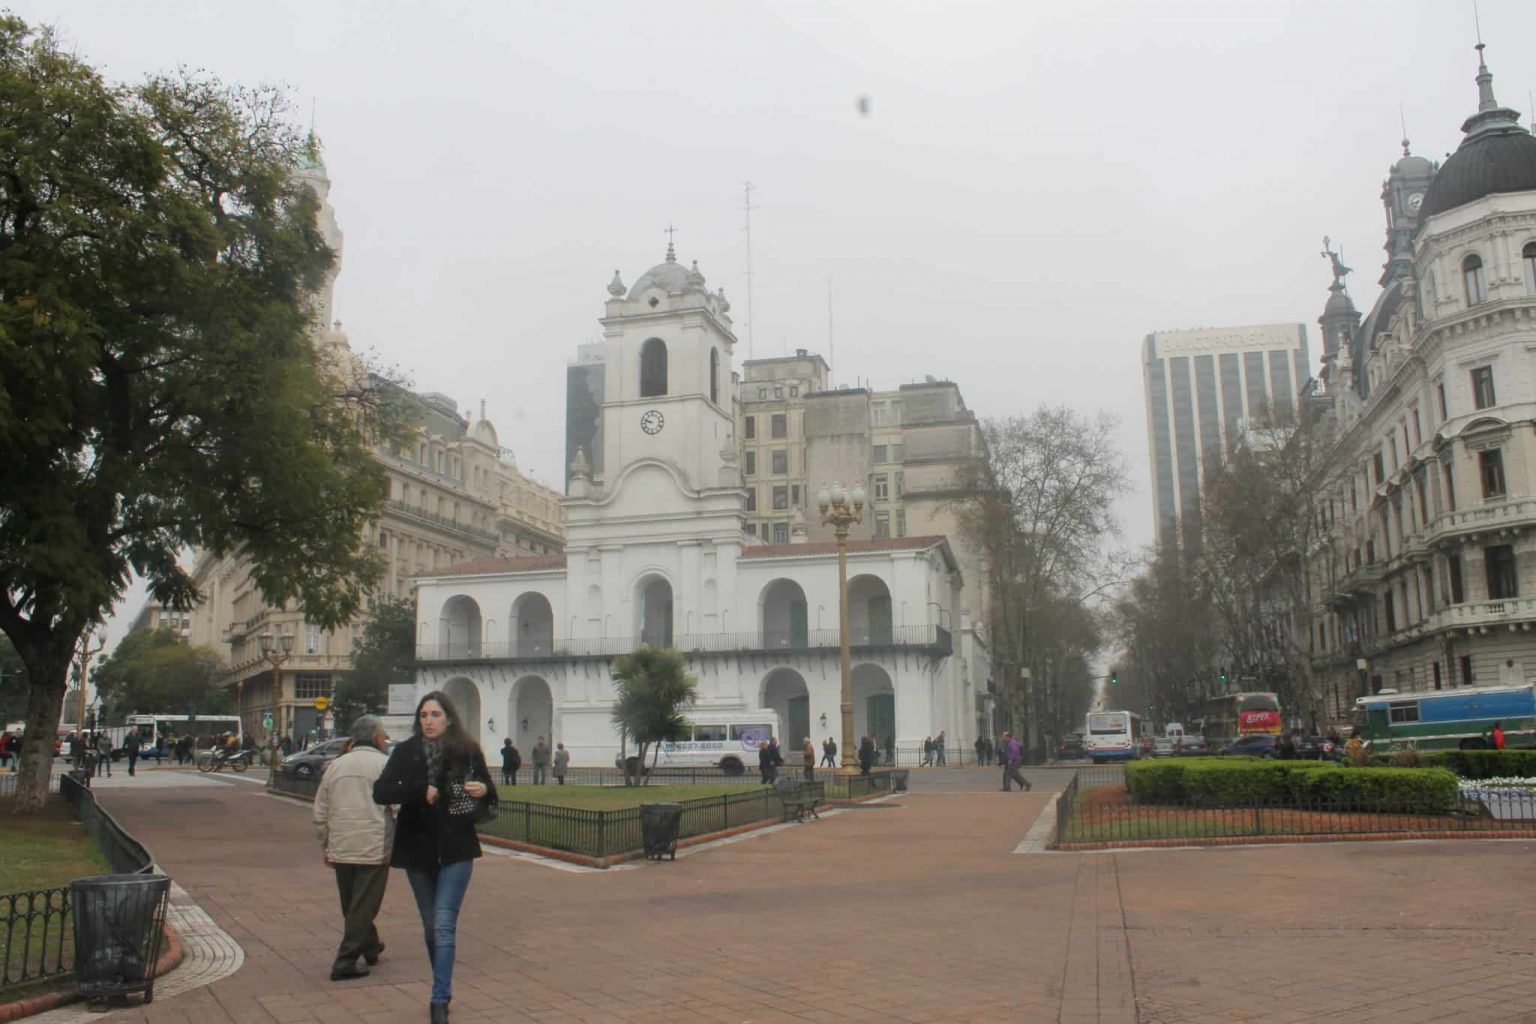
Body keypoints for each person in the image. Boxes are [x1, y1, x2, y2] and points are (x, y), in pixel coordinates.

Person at [373, 691, 496, 1024]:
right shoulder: (407, 752)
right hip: (417, 851)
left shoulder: (466, 750)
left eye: (435, 714)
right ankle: (442, 983)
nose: (428, 721)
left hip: (456, 848)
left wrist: (481, 790)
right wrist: (418, 790)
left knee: (443, 924)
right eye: (424, 715)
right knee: (431, 927)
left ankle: (439, 997)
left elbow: (489, 793)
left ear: (449, 718)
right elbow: (381, 791)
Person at [315, 715, 394, 982]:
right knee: (363, 905)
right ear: (376, 737)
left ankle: (370, 946)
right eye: (383, 735)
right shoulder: (385, 765)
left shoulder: (335, 767)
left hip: (341, 844)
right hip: (373, 845)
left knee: (353, 903)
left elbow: (321, 812)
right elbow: (397, 808)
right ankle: (345, 960)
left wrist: (326, 843)